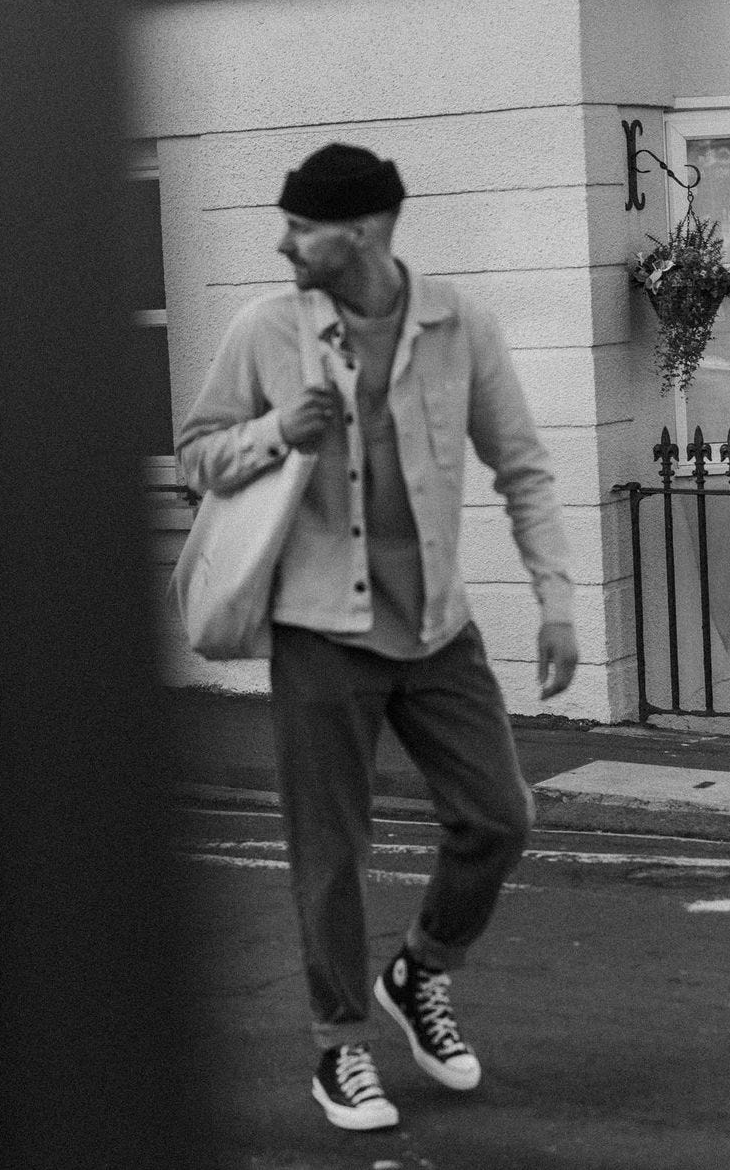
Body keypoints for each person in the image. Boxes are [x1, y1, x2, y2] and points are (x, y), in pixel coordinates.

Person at [176, 143, 579, 1132]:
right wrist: (278, 432)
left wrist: (556, 596)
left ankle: (420, 972)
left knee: (499, 817)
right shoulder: (264, 330)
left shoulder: (459, 326)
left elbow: (520, 464)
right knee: (332, 854)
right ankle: (340, 1048)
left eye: (300, 225)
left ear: (358, 231)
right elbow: (195, 456)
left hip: (439, 630)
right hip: (321, 631)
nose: (283, 241)